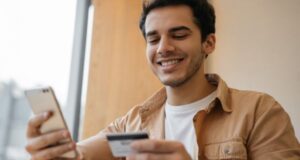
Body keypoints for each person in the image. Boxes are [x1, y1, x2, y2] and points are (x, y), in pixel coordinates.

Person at [25, 0, 300, 159]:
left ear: (209, 43)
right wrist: (52, 149)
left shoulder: (259, 112)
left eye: (179, 35)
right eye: (153, 38)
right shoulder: (130, 123)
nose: (163, 48)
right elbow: (78, 155)